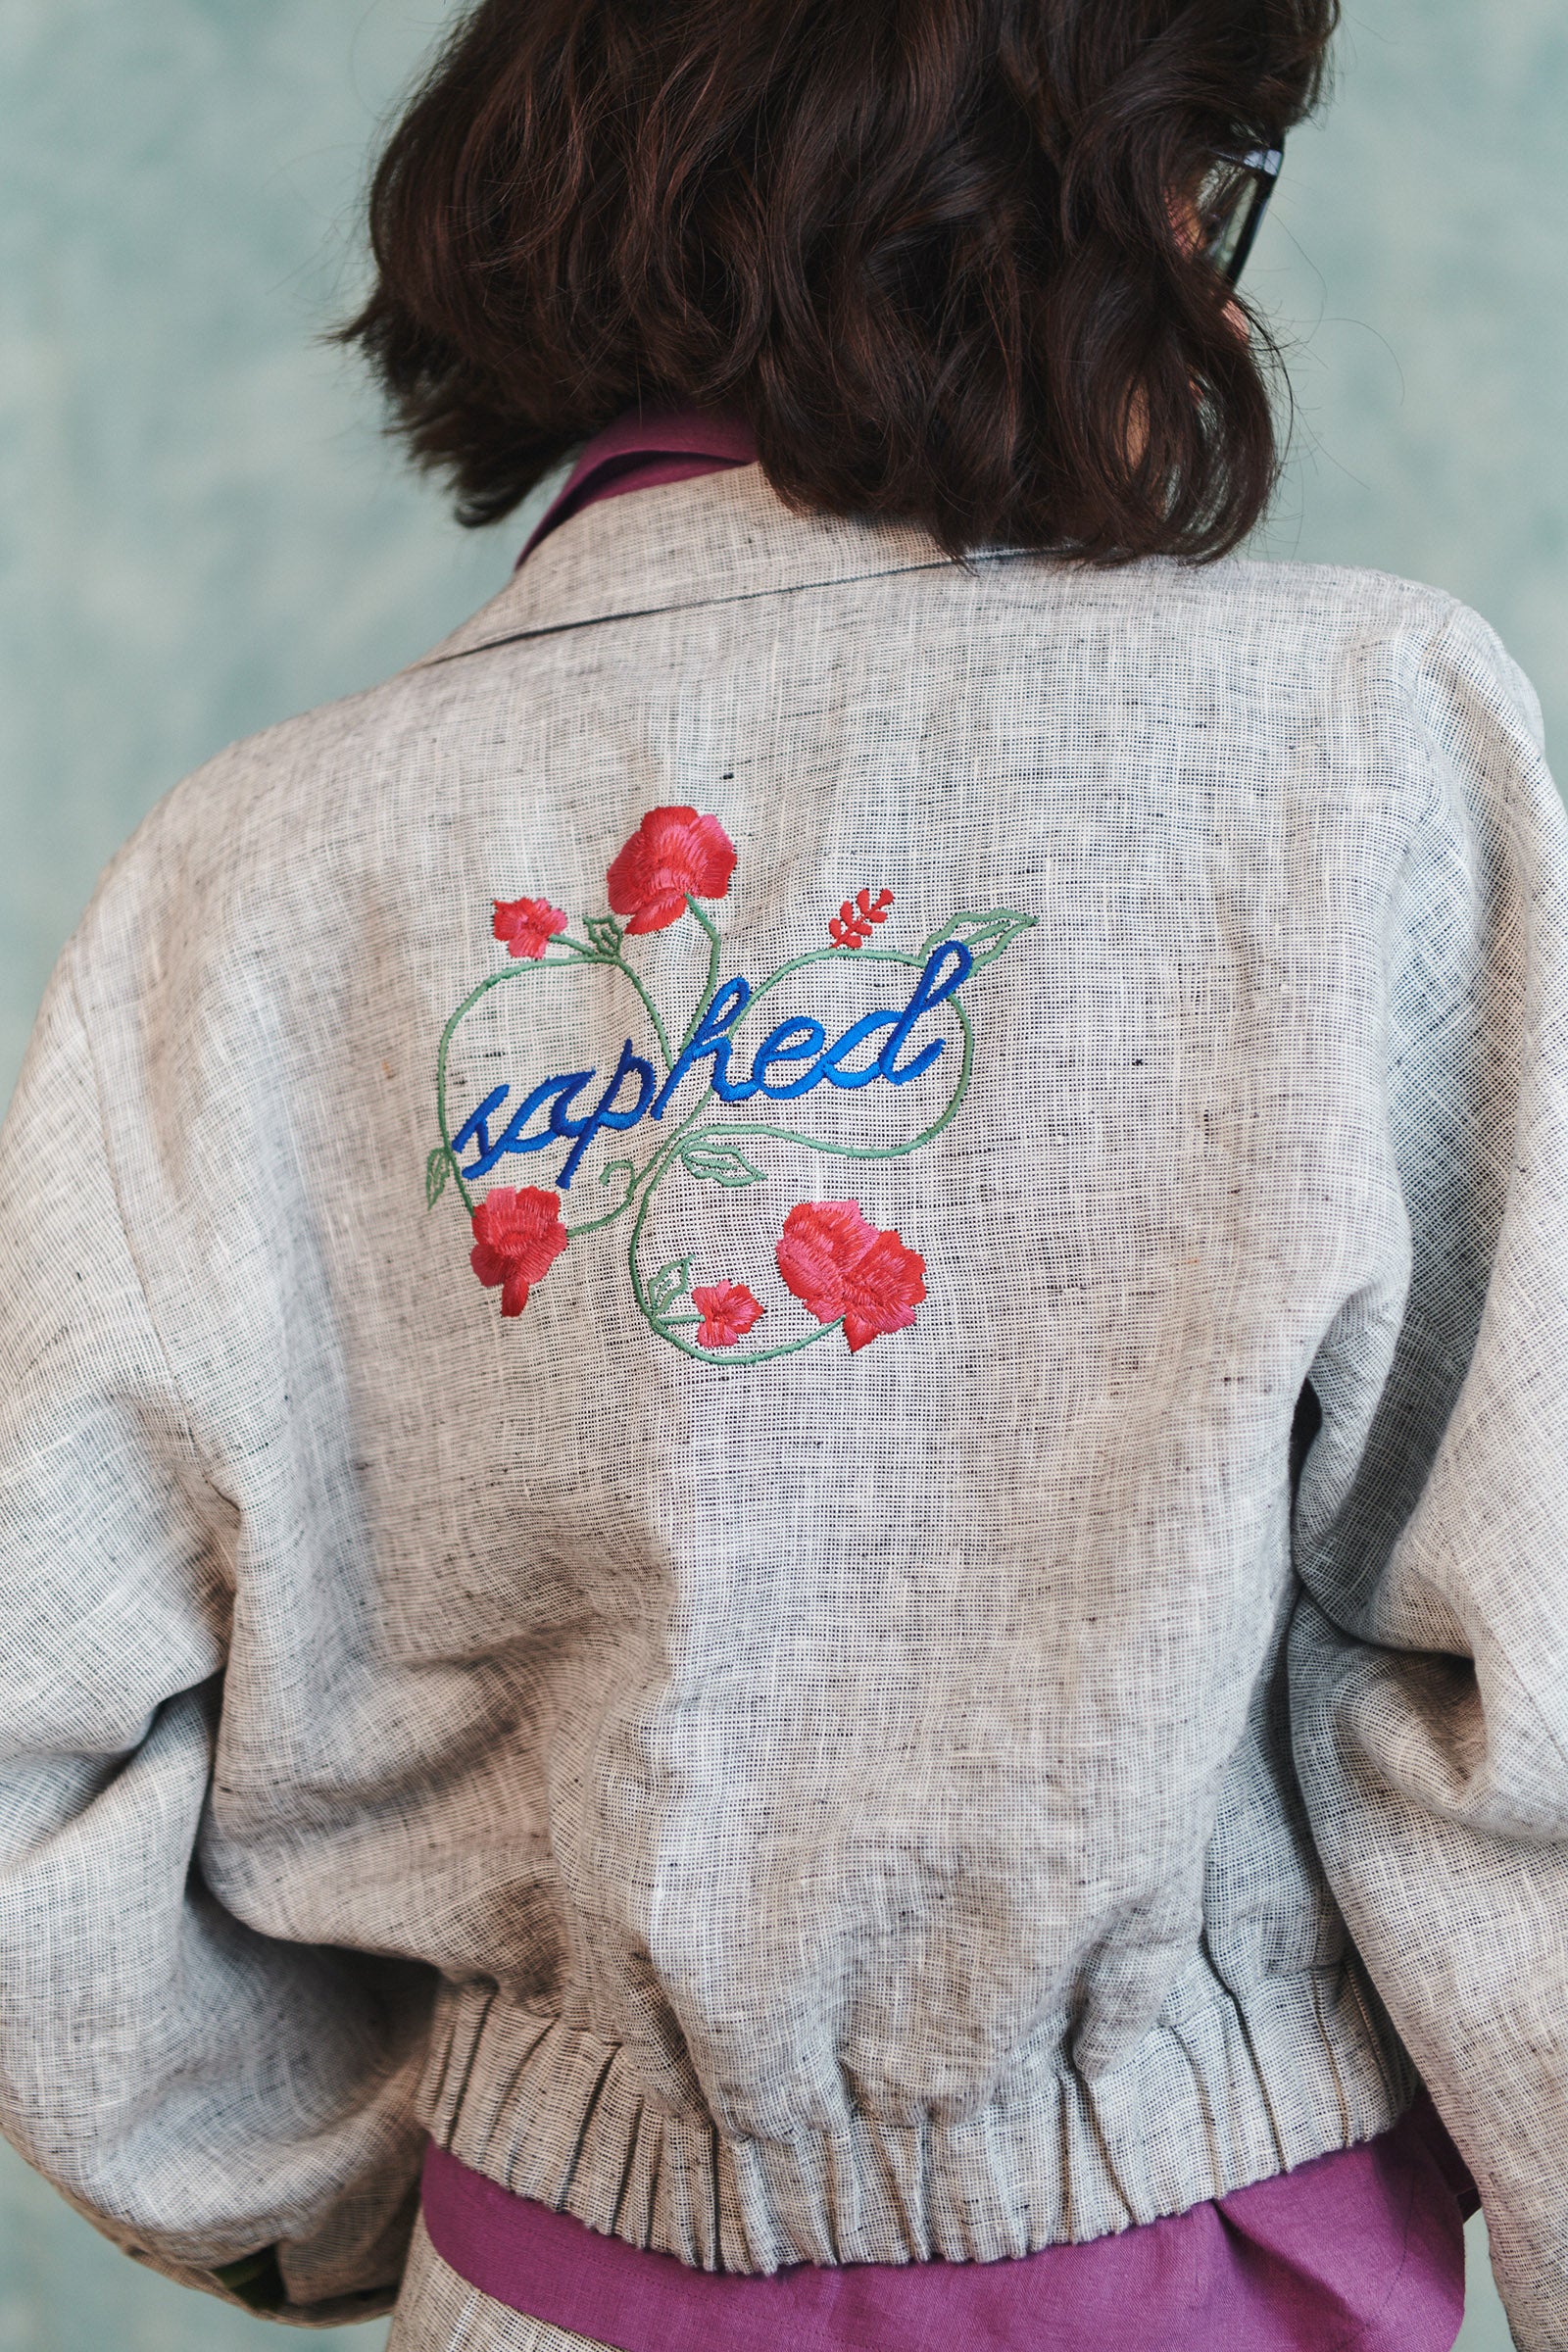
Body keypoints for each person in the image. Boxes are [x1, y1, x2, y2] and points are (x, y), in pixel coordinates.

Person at [1, 2, 1562, 2348]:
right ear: (1052, 185)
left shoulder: (242, 882)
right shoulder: (1348, 741)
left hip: (534, 2291)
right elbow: (1530, 1673)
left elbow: (29, 1727)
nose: (1221, 294)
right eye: (1204, 177)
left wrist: (405, 2175)